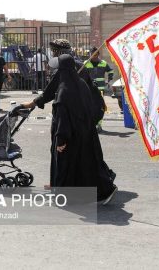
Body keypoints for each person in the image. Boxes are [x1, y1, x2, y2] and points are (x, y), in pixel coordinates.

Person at [20, 54, 117, 204]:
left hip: (70, 136)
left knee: (67, 165)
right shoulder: (81, 84)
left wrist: (61, 139)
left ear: (62, 71)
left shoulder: (64, 91)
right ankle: (99, 192)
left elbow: (63, 119)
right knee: (85, 164)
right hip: (84, 132)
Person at [82, 47, 114, 131]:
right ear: (89, 54)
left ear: (98, 54)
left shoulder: (103, 63)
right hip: (89, 89)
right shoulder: (86, 63)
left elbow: (110, 71)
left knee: (100, 107)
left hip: (100, 89)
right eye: (92, 54)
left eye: (95, 54)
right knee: (89, 106)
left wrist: (109, 79)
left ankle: (99, 125)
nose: (94, 56)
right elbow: (81, 74)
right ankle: (91, 124)